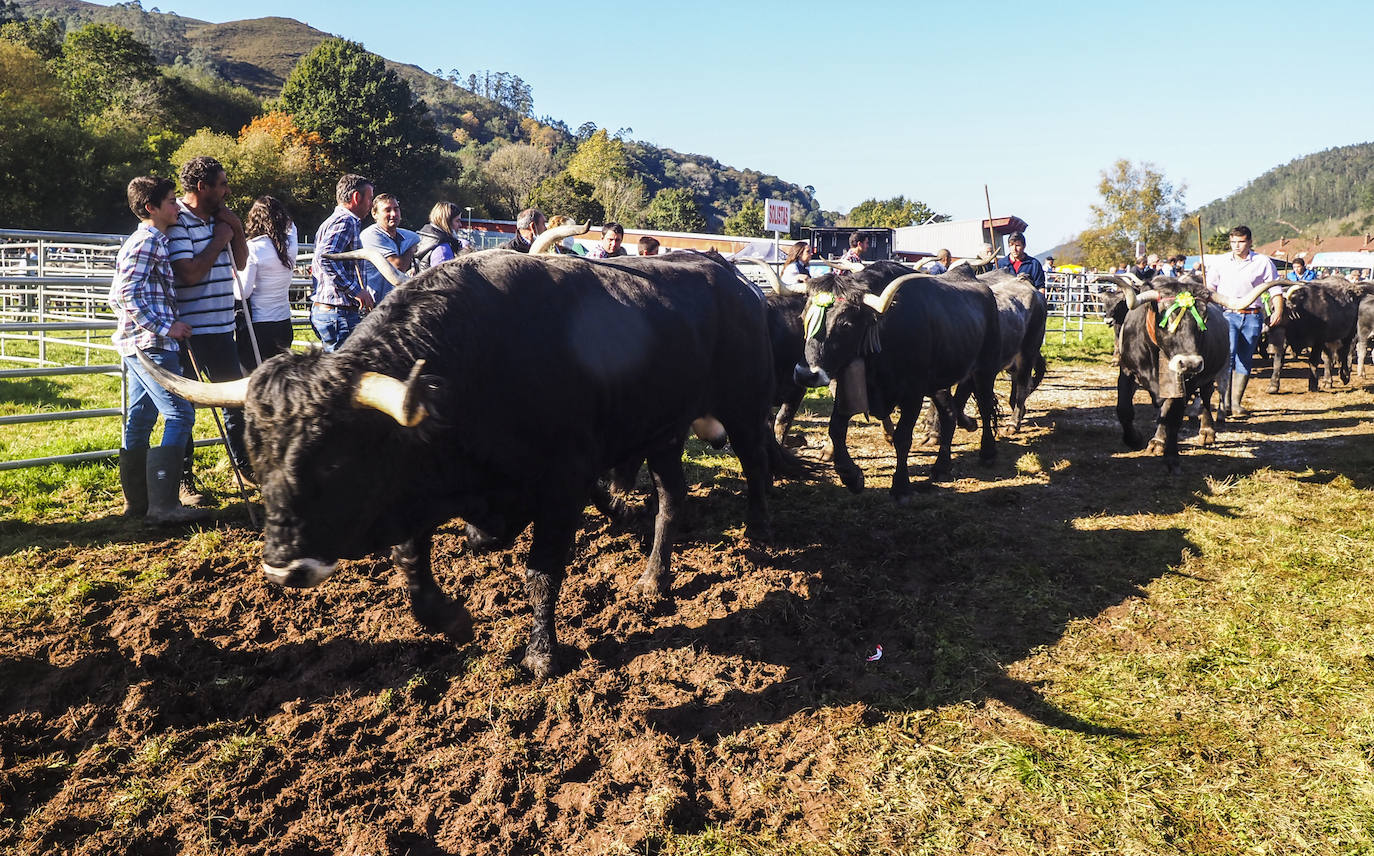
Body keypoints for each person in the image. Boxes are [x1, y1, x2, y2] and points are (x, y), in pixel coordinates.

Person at [109, 176, 209, 525]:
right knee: (181, 415)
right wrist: (166, 327)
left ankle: (137, 503)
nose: (177, 206)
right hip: (153, 344)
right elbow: (126, 294)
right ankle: (164, 505)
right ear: (151, 208)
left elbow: (118, 295)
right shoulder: (149, 242)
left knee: (140, 418)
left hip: (136, 342)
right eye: (170, 201)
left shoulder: (144, 241)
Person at [166, 155, 251, 494]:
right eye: (222, 185)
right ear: (202, 187)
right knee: (185, 404)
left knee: (233, 400)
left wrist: (237, 229)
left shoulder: (220, 220)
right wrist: (219, 238)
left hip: (220, 325)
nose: (227, 190)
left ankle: (242, 466)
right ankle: (183, 479)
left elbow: (241, 263)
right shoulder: (177, 223)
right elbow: (188, 275)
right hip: (188, 330)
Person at [1207, 225, 1281, 417]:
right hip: (1226, 314)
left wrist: (1278, 309)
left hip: (1252, 315)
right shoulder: (1220, 262)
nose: (1236, 246)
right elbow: (1209, 288)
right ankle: (1223, 403)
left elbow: (1275, 287)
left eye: (1240, 242)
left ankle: (1236, 403)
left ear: (1249, 242)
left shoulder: (1262, 261)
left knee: (1245, 359)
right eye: (1233, 242)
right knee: (1227, 358)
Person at [310, 173, 375, 353]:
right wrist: (356, 290)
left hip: (331, 311)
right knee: (342, 374)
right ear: (356, 197)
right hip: (339, 313)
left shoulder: (331, 221)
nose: (371, 204)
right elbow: (325, 257)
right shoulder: (346, 221)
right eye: (369, 198)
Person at [236, 195, 298, 371]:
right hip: (283, 321)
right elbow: (292, 227)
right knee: (281, 377)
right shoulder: (290, 245)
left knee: (255, 378)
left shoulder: (253, 248)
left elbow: (242, 292)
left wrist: (235, 278)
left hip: (259, 325)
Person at [360, 193, 419, 303]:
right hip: (377, 306)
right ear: (374, 214)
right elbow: (397, 267)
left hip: (398, 305)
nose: (394, 214)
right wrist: (411, 250)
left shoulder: (410, 236)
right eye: (387, 210)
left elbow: (421, 242)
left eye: (396, 209)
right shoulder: (370, 235)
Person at [413, 201, 471, 272]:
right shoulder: (443, 249)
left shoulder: (423, 237)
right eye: (457, 221)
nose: (460, 225)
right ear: (446, 222)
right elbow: (446, 280)